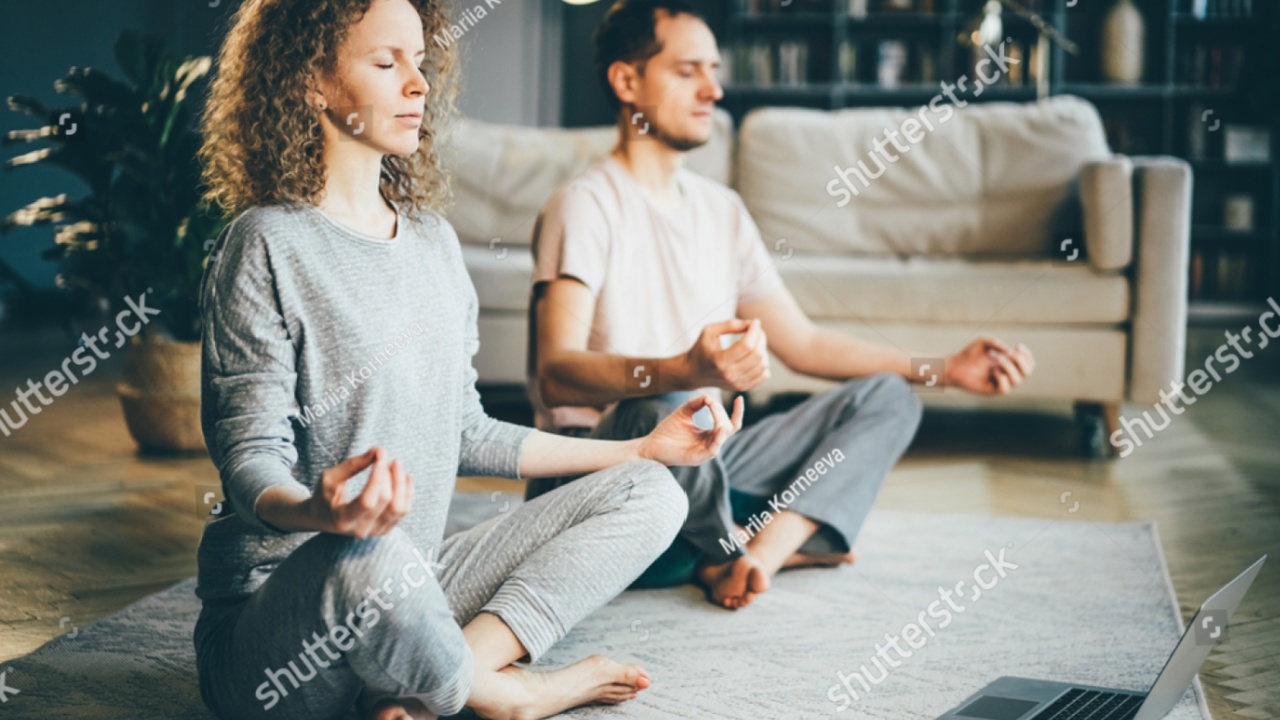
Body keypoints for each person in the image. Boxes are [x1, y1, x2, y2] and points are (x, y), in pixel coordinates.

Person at [192, 1, 746, 718]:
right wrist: (319, 512)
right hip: (288, 623)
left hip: (411, 583)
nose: (418, 83)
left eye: (420, 62)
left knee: (653, 490)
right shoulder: (264, 244)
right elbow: (249, 464)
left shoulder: (433, 243)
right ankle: (507, 693)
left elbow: (468, 430)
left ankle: (423, 686)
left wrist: (644, 445)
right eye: (387, 63)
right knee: (371, 560)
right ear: (311, 81)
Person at [526, 0, 1037, 611]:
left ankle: (754, 557)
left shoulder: (722, 211)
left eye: (714, 70)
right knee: (673, 403)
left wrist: (945, 368)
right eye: (688, 71)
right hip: (599, 477)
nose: (713, 89)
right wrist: (683, 370)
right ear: (627, 80)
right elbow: (557, 371)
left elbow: (804, 344)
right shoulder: (585, 204)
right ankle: (734, 548)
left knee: (890, 395)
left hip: (700, 469)